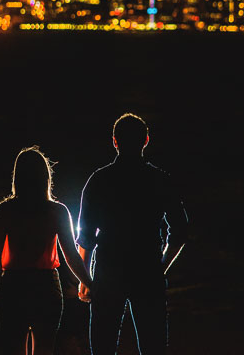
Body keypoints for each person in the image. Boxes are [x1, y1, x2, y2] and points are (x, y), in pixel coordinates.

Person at [76, 113, 189, 355]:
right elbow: (179, 231)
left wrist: (84, 279)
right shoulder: (160, 179)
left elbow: (86, 235)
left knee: (103, 346)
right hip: (148, 270)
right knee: (153, 346)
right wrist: (162, 266)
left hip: (108, 270)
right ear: (146, 140)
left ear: (114, 141)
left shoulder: (99, 180)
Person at [0, 146, 94, 355]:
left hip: (13, 283)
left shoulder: (4, 211)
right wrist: (88, 282)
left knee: (14, 348)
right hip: (46, 285)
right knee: (44, 349)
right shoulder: (57, 211)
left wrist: (1, 286)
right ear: (45, 177)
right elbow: (71, 256)